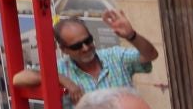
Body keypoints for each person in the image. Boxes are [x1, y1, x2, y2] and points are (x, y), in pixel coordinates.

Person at [24, 11, 159, 104]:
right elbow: (18, 78)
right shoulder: (60, 69)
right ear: (64, 49)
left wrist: (131, 35)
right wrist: (63, 80)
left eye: (88, 40)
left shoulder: (114, 57)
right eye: (77, 46)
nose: (85, 48)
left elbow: (150, 55)